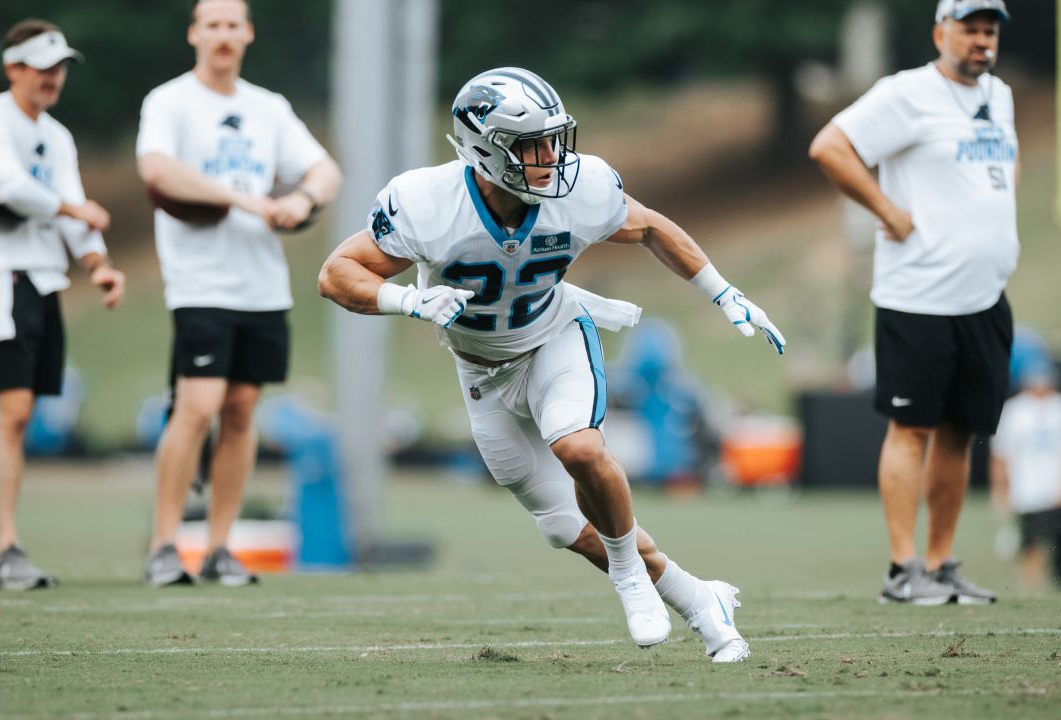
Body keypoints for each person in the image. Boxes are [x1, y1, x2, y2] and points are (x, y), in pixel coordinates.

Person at [319, 67, 785, 663]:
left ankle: (630, 577)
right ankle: (697, 599)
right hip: (480, 371)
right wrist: (407, 299)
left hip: (552, 337)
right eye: (531, 145)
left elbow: (650, 227)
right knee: (563, 526)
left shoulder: (582, 187)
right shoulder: (429, 202)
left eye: (553, 139)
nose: (550, 157)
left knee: (579, 448)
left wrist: (725, 293)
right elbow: (336, 274)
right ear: (484, 150)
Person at [808, 0, 1017, 605]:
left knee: (959, 432)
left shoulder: (998, 97)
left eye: (990, 30)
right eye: (970, 28)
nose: (982, 40)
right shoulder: (907, 93)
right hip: (918, 297)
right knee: (912, 428)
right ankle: (903, 571)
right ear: (939, 33)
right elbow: (830, 147)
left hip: (984, 297)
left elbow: (1005, 166)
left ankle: (940, 563)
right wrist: (888, 212)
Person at [136, 0, 342, 587]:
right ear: (195, 33)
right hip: (200, 283)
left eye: (234, 25)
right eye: (213, 24)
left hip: (262, 286)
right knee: (195, 407)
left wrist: (302, 201)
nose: (224, 34)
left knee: (241, 411)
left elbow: (325, 170)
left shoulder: (267, 108)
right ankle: (164, 545)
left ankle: (220, 547)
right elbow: (157, 171)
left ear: (247, 34)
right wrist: (246, 199)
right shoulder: (170, 101)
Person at [0, 19, 126, 590]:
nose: (53, 78)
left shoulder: (58, 136)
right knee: (3, 413)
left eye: (59, 68)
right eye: (42, 66)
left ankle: (3, 546)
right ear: (13, 67)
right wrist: (78, 215)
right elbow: (9, 188)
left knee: (16, 416)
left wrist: (98, 264)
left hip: (38, 283)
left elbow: (73, 206)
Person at [990, 358, 1061, 589]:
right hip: (1026, 486)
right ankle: (1032, 584)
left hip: (1056, 484)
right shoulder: (1014, 410)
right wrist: (1001, 488)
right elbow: (1001, 453)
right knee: (1030, 539)